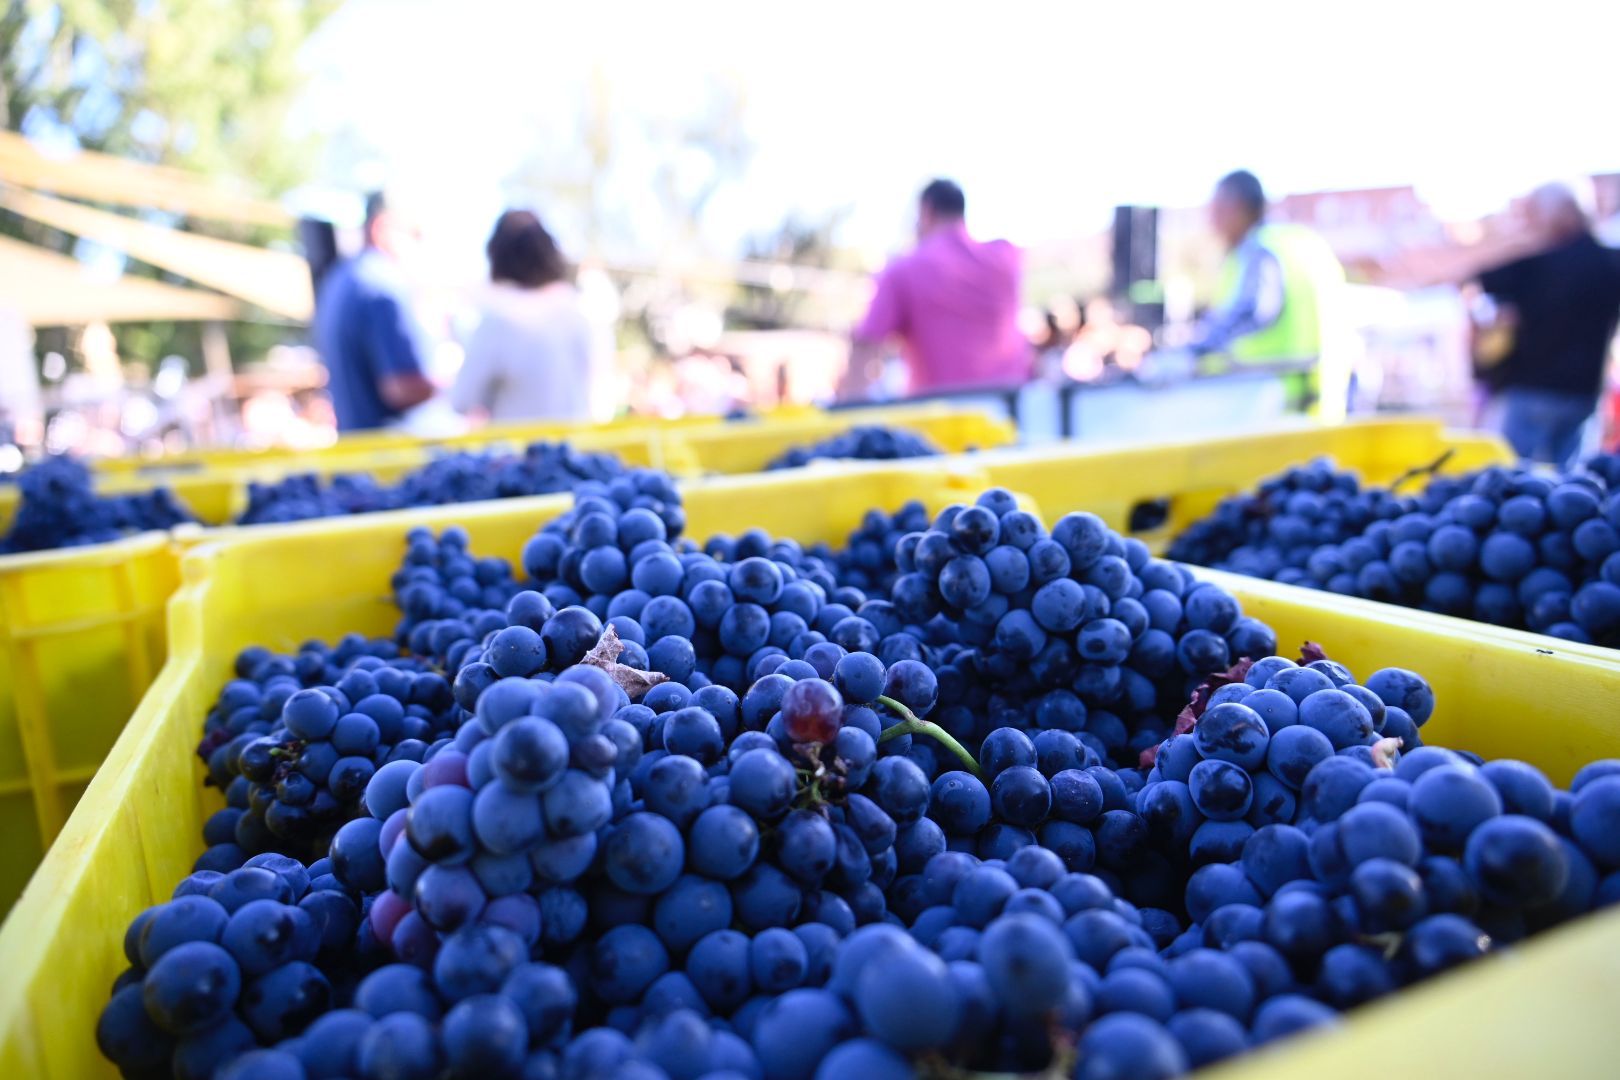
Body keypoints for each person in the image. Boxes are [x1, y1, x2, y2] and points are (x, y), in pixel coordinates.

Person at [840, 179, 1029, 399]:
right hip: (1010, 412)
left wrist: (849, 416)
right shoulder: (1006, 259)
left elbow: (865, 347)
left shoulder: (903, 271)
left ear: (926, 211)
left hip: (940, 421)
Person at [1475, 183, 1620, 466]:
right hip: (1585, 391)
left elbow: (1477, 281)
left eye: (1533, 216)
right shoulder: (1611, 262)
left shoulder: (1534, 263)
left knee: (1513, 484)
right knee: (1569, 490)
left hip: (1533, 388)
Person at [1189, 170, 1346, 417]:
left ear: (1237, 208)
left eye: (1216, 209)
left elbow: (1253, 311)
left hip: (1266, 399)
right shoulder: (1298, 244)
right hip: (1313, 397)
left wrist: (1194, 350)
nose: (1211, 219)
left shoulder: (1258, 252)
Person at [451, 210, 597, 424]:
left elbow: (462, 400)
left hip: (520, 453)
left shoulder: (498, 320)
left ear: (496, 255)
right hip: (578, 449)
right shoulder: (580, 311)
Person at [311, 192, 436, 432]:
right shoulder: (382, 283)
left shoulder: (339, 279)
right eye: (414, 235)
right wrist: (453, 384)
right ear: (382, 227)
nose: (419, 248)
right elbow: (401, 388)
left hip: (355, 448)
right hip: (388, 451)